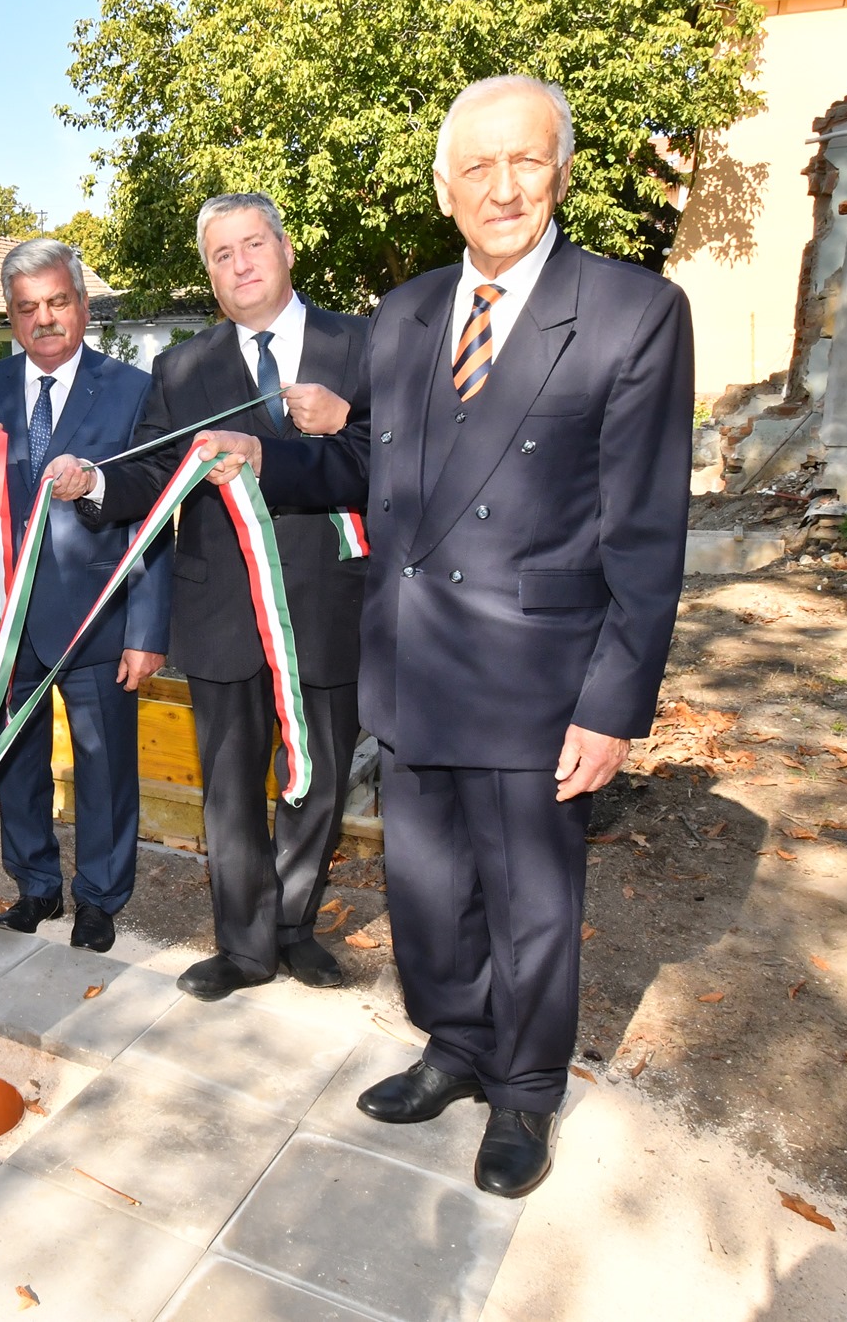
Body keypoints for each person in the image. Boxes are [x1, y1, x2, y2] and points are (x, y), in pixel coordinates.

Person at [319, 75, 690, 1198]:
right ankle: (455, 1044)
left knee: (530, 909)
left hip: (536, 679)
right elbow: (383, 468)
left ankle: (524, 1090)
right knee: (428, 894)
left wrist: (613, 705)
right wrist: (265, 456)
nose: (502, 187)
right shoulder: (405, 311)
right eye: (475, 166)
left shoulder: (631, 311)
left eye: (524, 160)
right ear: (444, 188)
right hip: (412, 663)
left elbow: (644, 530)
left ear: (560, 172)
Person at [72, 193, 371, 1002]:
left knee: (319, 775)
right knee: (231, 787)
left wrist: (339, 423)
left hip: (327, 599)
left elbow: (397, 457)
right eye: (221, 254)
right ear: (208, 274)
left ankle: (294, 925)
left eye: (253, 245)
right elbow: (152, 469)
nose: (240, 265)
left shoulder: (363, 343)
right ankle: (244, 944)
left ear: (287, 248)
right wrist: (95, 481)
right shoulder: (182, 367)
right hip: (222, 609)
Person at [0, 238, 169, 951]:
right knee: (15, 763)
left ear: (82, 305)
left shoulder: (130, 389)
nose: (45, 319)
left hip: (97, 617)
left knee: (104, 767)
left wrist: (147, 631)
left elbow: (154, 513)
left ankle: (100, 898)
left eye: (58, 301)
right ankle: (35, 885)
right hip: (5, 621)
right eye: (27, 307)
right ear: (11, 314)